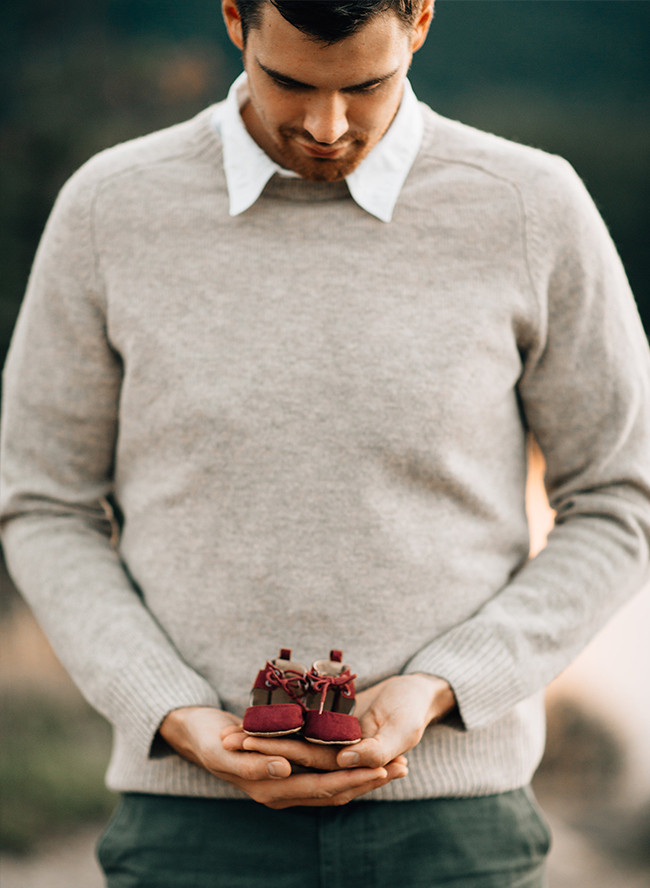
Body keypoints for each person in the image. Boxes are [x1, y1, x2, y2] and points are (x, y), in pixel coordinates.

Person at [2, 0, 650, 885]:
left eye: (368, 86)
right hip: (187, 832)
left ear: (421, 19)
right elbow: (43, 504)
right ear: (235, 18)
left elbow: (621, 498)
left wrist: (448, 684)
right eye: (290, 82)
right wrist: (166, 709)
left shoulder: (532, 207)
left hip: (459, 839)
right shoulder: (110, 208)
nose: (326, 125)